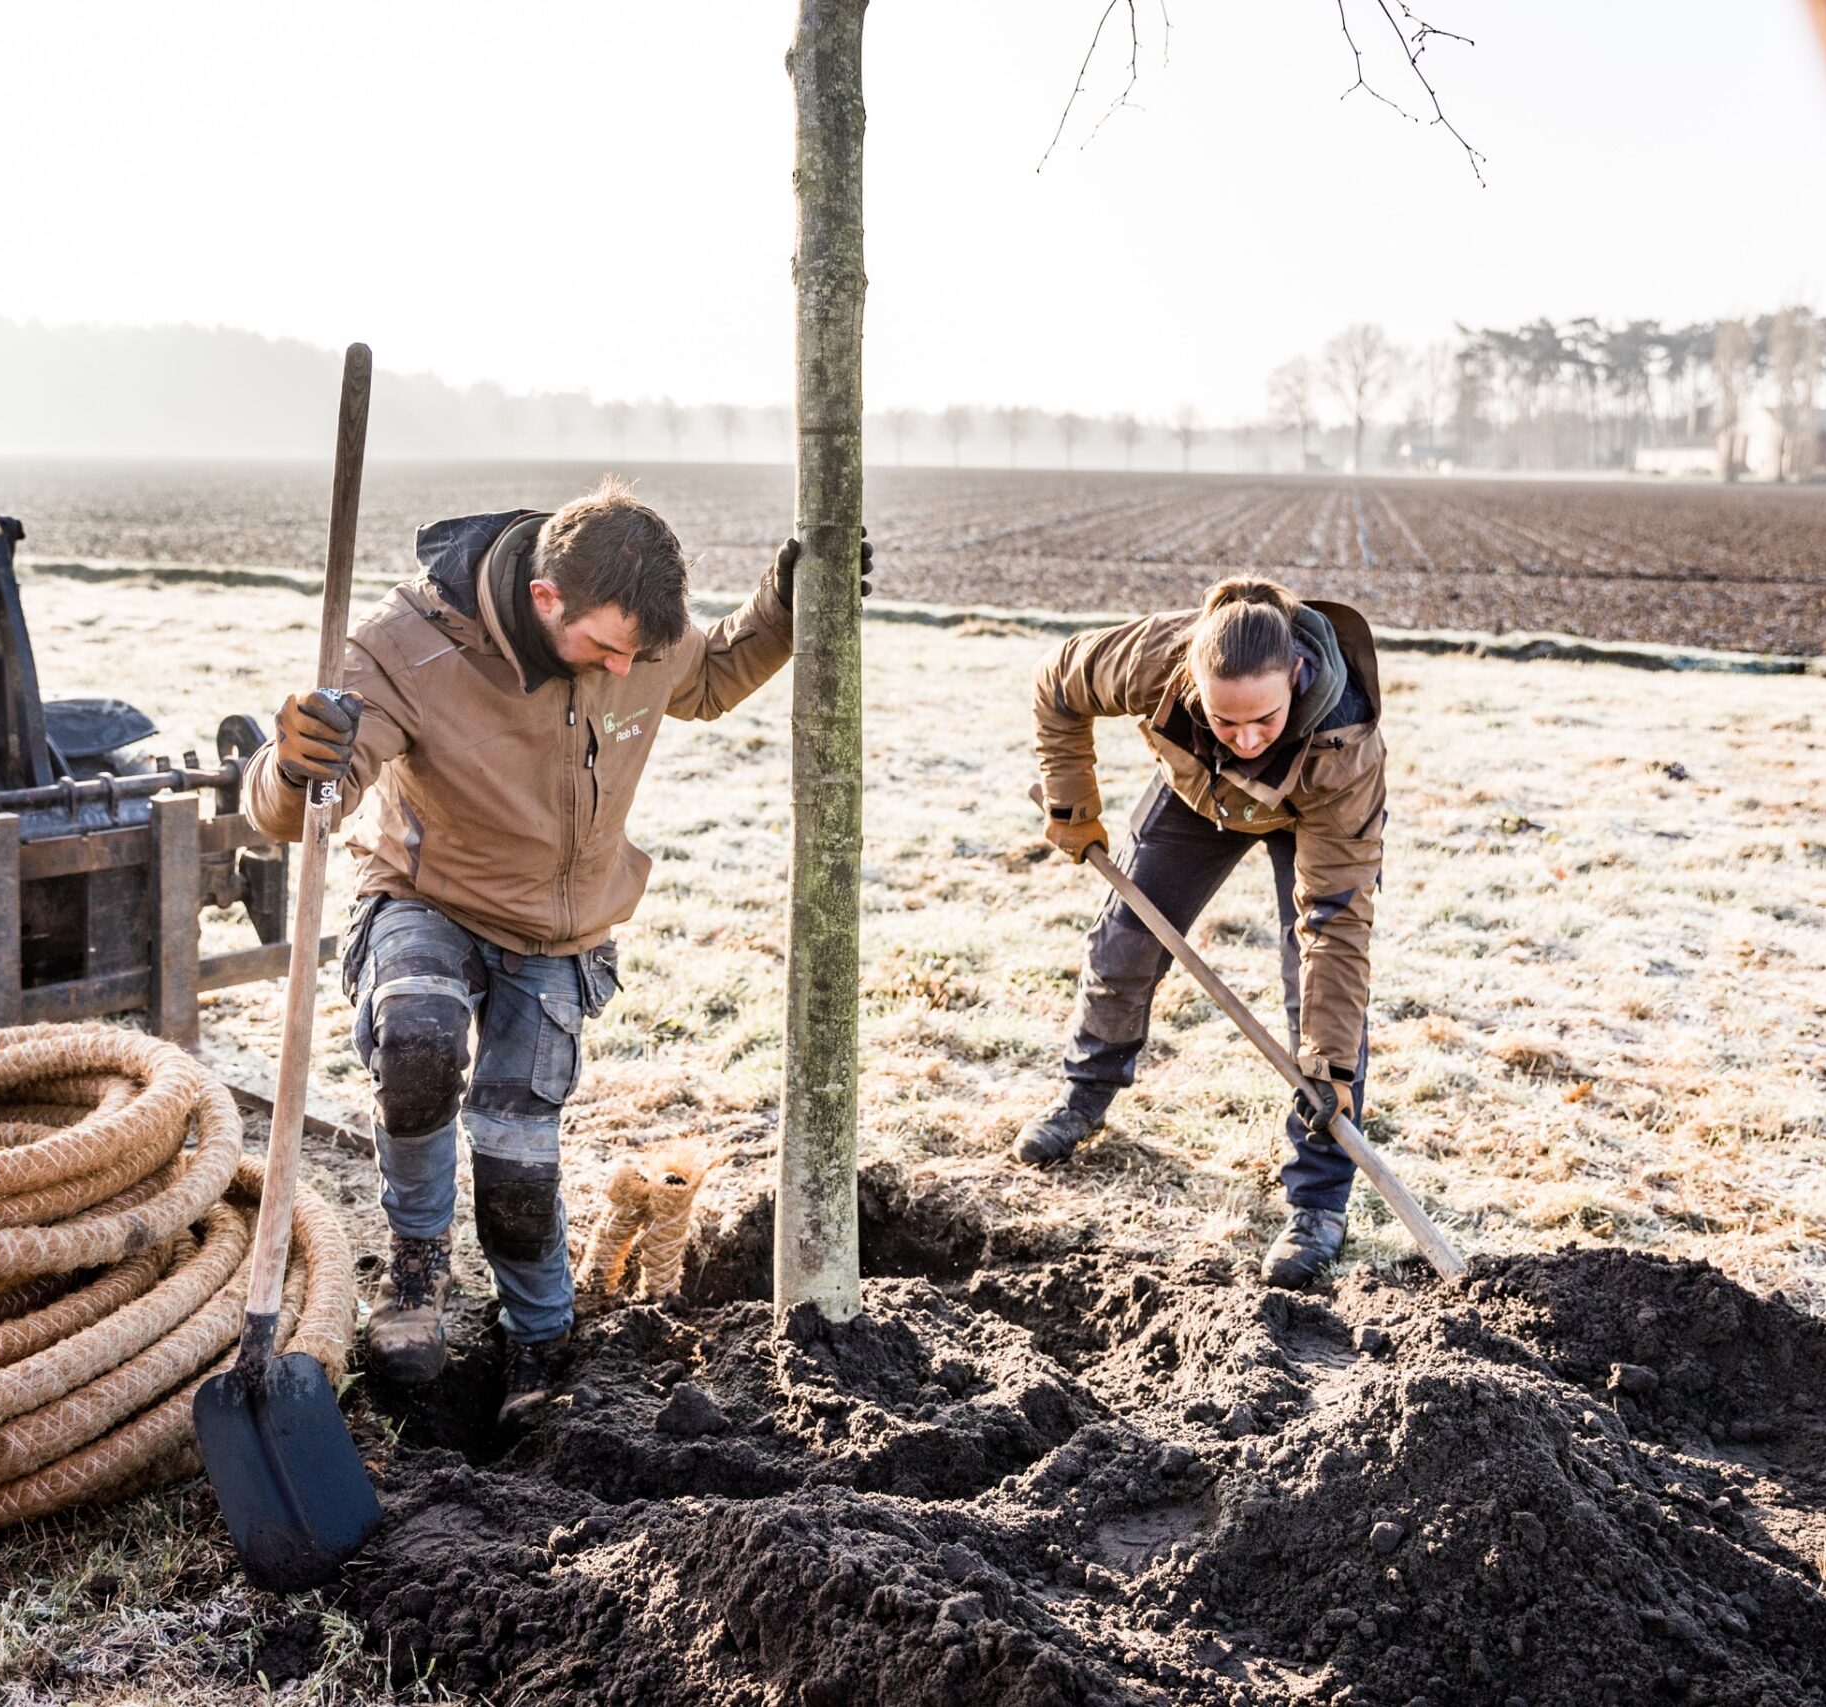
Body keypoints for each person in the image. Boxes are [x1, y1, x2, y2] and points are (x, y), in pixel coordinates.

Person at [246, 479, 870, 1420]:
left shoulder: (640, 644)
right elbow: (299, 809)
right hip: (426, 895)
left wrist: (789, 598)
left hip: (556, 933)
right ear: (546, 600)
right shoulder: (405, 644)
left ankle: (538, 1343)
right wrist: (293, 764)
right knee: (415, 1045)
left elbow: (711, 671)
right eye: (607, 648)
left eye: (639, 653)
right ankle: (415, 1274)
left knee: (516, 1152)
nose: (625, 671)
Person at [1017, 577, 1386, 1287]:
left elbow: (1337, 927)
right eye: (1225, 721)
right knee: (1124, 942)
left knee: (1313, 1009)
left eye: (1265, 721)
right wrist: (1071, 801)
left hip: (1306, 813)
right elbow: (1059, 681)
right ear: (1193, 681)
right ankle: (1083, 1097)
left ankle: (1318, 1203)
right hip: (1197, 798)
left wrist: (1333, 1068)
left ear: (1298, 678)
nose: (1246, 740)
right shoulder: (1155, 658)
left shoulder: (1345, 747)